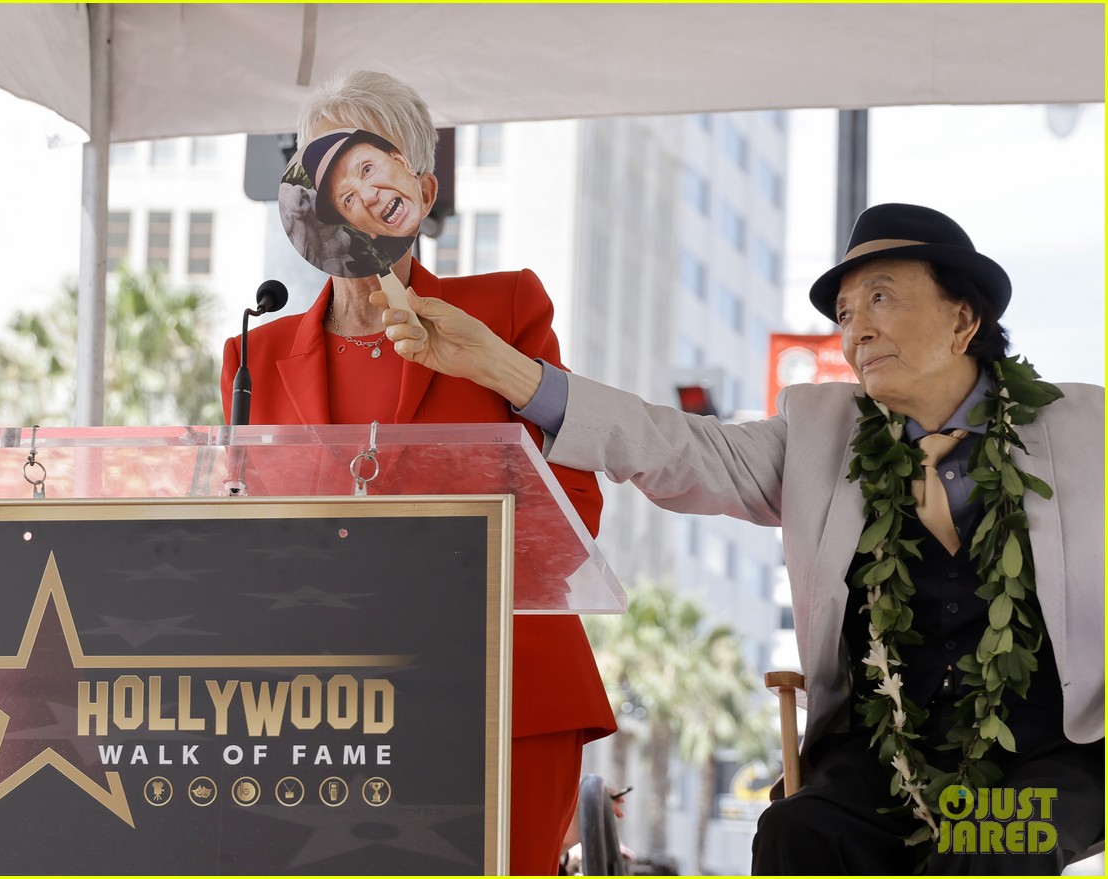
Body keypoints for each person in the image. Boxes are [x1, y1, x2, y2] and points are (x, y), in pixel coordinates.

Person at [376, 202, 1105, 873]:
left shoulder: (1083, 433)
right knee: (794, 831)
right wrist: (501, 367)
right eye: (846, 313)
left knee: (987, 846)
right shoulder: (824, 437)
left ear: (963, 318)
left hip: (1047, 752)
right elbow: (676, 446)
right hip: (886, 753)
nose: (858, 330)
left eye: (882, 297)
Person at [219, 69, 616, 875]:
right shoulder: (252, 353)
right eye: (328, 171)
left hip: (502, 700)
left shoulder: (502, 310)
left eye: (373, 167)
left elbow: (574, 508)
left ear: (422, 188)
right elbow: (237, 540)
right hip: (318, 711)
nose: (353, 195)